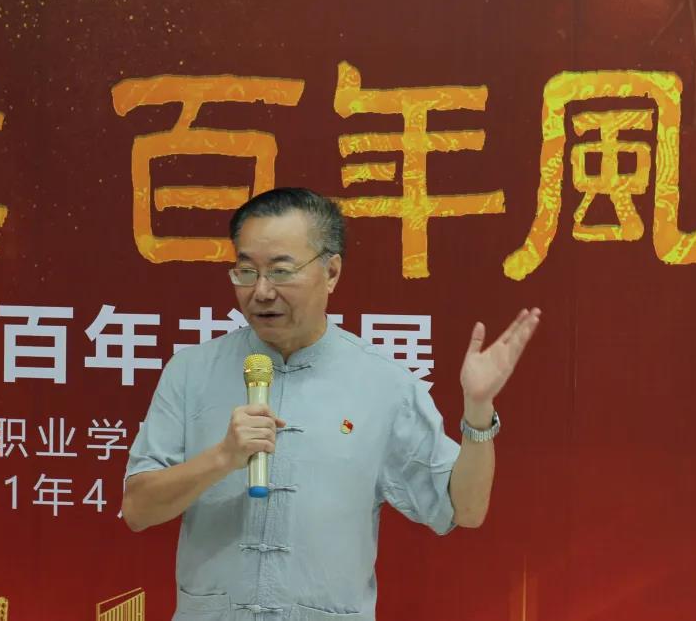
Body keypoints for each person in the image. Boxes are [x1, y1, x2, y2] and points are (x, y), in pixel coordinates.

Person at [123, 187, 541, 620]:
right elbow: (137, 509)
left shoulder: (383, 383)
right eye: (246, 271)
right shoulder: (190, 372)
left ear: (331, 272)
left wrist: (478, 408)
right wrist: (222, 458)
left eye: (281, 271)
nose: (261, 291)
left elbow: (465, 509)